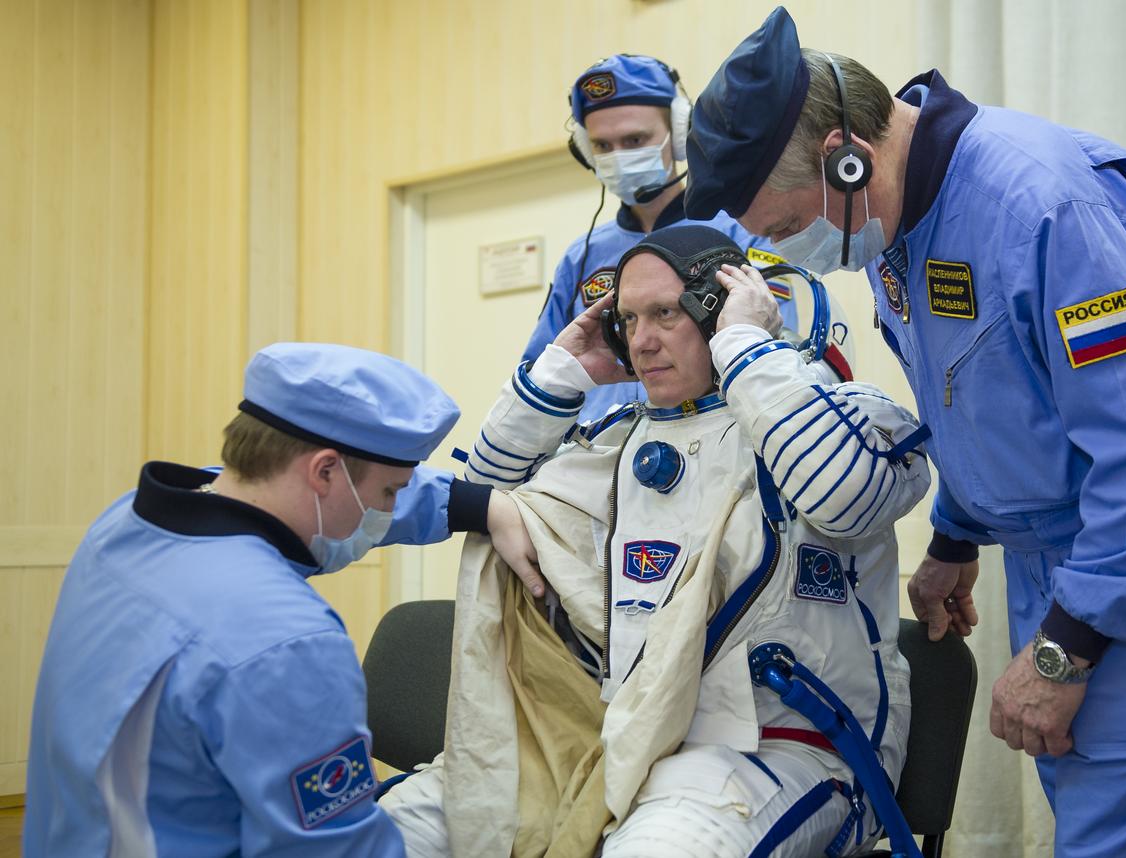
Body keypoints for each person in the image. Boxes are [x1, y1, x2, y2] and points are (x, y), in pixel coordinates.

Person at [682, 7, 1126, 857]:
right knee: (1099, 810)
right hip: (1065, 554)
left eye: (781, 230)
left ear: (848, 154)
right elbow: (982, 392)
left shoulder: (1043, 207)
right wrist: (955, 533)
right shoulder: (900, 225)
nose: (792, 254)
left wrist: (1064, 653)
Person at [380, 225, 930, 857]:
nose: (641, 342)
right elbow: (491, 501)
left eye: (666, 313)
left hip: (776, 743)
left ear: (722, 309)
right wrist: (559, 379)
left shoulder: (848, 416)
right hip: (610, 729)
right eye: (627, 320)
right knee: (391, 838)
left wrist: (746, 349)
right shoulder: (620, 439)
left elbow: (844, 496)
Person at [23, 342, 542, 857]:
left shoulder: (125, 526)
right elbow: (335, 850)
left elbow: (286, 514)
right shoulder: (287, 641)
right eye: (389, 492)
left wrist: (479, 504)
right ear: (323, 471)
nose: (388, 509)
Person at [524, 53, 798, 422]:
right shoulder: (582, 256)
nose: (619, 157)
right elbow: (545, 368)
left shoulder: (742, 232)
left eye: (635, 139)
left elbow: (783, 345)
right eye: (603, 146)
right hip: (605, 454)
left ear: (680, 131)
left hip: (719, 444)